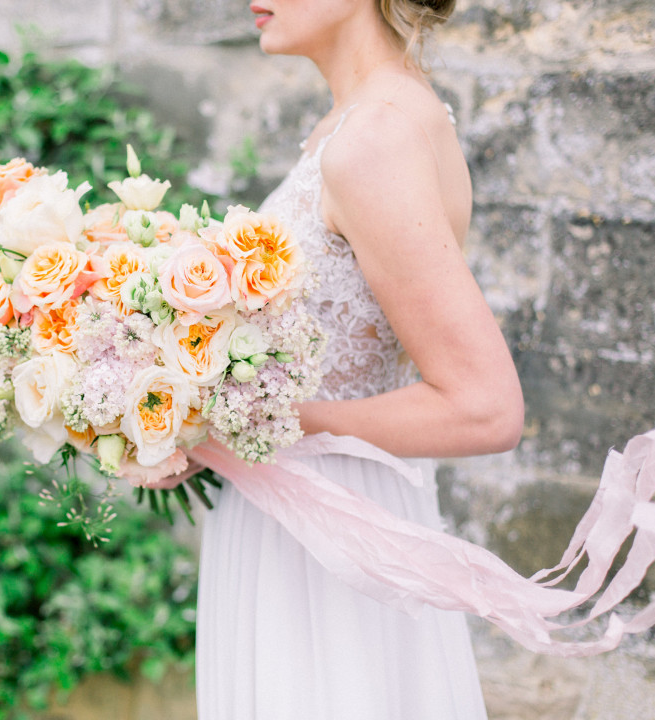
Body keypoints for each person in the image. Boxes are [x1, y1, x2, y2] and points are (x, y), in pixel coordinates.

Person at [196, 1, 525, 718]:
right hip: (301, 521)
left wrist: (244, 422)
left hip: (329, 548)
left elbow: (483, 406)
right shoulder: (362, 123)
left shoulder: (373, 139)